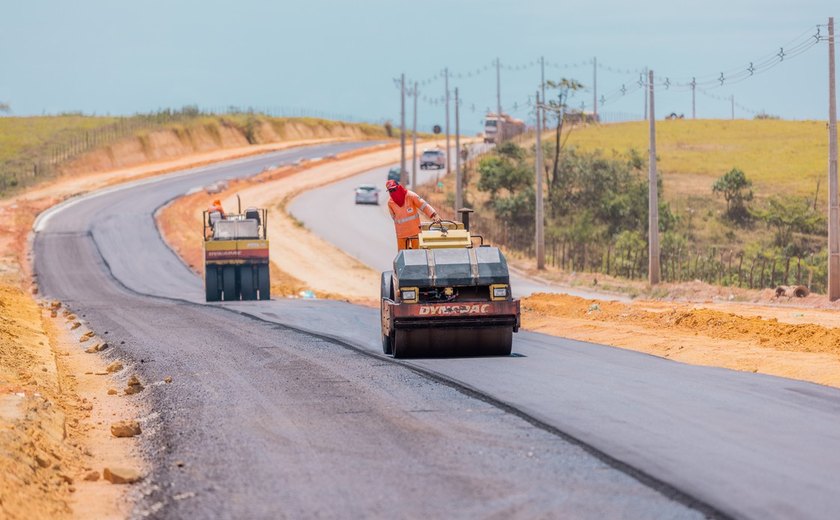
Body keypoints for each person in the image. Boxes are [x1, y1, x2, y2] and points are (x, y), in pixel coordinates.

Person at [385, 179, 440, 250]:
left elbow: (423, 205)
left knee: (417, 254)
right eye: (390, 191)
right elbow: (394, 217)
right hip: (402, 235)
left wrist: (434, 214)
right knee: (403, 256)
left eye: (394, 189)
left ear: (398, 187)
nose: (392, 192)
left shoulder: (410, 196)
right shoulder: (390, 203)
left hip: (415, 232)